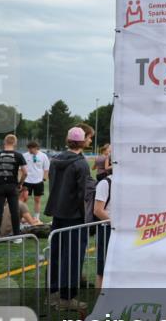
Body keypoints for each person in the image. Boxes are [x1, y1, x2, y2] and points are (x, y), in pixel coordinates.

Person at [45, 126, 92, 311]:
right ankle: (67, 298)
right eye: (87, 139)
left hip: (58, 213)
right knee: (72, 257)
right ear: (81, 142)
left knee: (56, 255)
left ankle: (53, 295)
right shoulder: (81, 163)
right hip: (75, 216)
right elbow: (84, 195)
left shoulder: (55, 160)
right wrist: (87, 217)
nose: (89, 141)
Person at [0, 135, 26, 240]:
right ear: (15, 143)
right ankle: (16, 237)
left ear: (4, 142)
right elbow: (25, 173)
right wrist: (20, 183)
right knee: (14, 212)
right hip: (12, 186)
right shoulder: (19, 155)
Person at [92, 167, 112, 289]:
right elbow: (98, 210)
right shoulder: (105, 183)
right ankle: (99, 304)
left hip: (124, 232)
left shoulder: (130, 183)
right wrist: (116, 225)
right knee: (103, 271)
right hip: (108, 230)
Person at [23, 141, 50, 221]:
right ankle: (24, 217)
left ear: (36, 148)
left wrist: (44, 178)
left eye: (32, 148)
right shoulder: (24, 156)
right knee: (24, 199)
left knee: (37, 200)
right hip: (27, 181)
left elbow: (46, 169)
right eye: (29, 148)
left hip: (38, 181)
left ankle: (36, 217)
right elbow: (21, 169)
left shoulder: (43, 156)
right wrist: (20, 180)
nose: (30, 150)